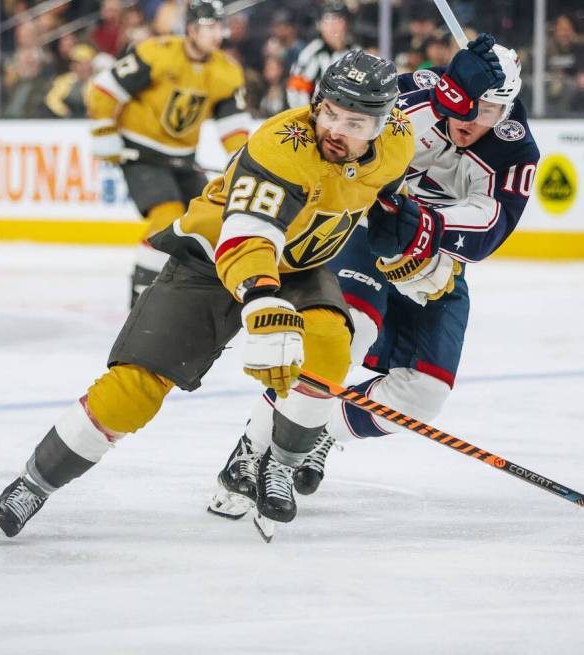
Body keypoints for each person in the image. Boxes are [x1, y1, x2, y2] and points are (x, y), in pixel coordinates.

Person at [0, 49, 420, 543]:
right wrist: (260, 300)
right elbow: (247, 236)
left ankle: (277, 464)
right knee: (136, 386)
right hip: (214, 258)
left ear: (382, 125)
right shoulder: (283, 143)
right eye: (330, 112)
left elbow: (397, 171)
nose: (334, 129)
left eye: (354, 122)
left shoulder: (401, 141)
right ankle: (32, 484)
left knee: (329, 346)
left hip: (299, 265)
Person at [209, 36, 538, 535]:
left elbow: (491, 226)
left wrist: (421, 223)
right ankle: (256, 451)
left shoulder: (515, 150)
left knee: (425, 392)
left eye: (491, 110)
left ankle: (316, 433)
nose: (475, 121)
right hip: (361, 231)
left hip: (431, 263)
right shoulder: (419, 96)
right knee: (349, 332)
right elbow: (336, 129)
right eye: (472, 105)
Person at [87, 0, 251, 305]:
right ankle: (143, 297)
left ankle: (187, 292)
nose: (216, 34)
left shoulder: (227, 71)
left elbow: (233, 127)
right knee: (166, 219)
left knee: (207, 220)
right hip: (141, 153)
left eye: (220, 27)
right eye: (208, 27)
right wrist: (105, 132)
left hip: (182, 159)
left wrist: (245, 160)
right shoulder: (156, 53)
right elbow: (104, 89)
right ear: (190, 29)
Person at [286, 2, 355, 108]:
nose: (333, 26)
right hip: (318, 116)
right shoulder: (311, 53)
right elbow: (296, 89)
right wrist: (306, 116)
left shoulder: (357, 52)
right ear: (320, 25)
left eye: (338, 19)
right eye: (328, 21)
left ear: (347, 23)